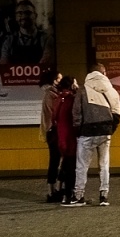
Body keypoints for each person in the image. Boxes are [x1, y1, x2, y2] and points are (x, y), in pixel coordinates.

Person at [64, 67, 120, 206]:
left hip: (87, 132)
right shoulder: (112, 91)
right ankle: (104, 196)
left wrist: (78, 130)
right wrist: (110, 129)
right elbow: (117, 114)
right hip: (105, 131)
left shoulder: (82, 91)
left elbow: (76, 112)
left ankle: (78, 196)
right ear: (104, 73)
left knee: (82, 166)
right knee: (104, 164)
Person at [38, 69, 65, 202]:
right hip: (54, 131)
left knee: (56, 160)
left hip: (53, 131)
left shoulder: (52, 94)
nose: (62, 81)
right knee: (55, 161)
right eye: (60, 78)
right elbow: (52, 114)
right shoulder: (51, 95)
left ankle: (55, 189)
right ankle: (52, 190)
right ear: (54, 81)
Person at [52, 76, 78, 204]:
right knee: (72, 167)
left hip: (61, 137)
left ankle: (62, 190)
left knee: (66, 164)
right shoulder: (71, 100)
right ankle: (70, 194)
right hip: (71, 138)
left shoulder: (58, 99)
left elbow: (54, 117)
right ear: (71, 85)